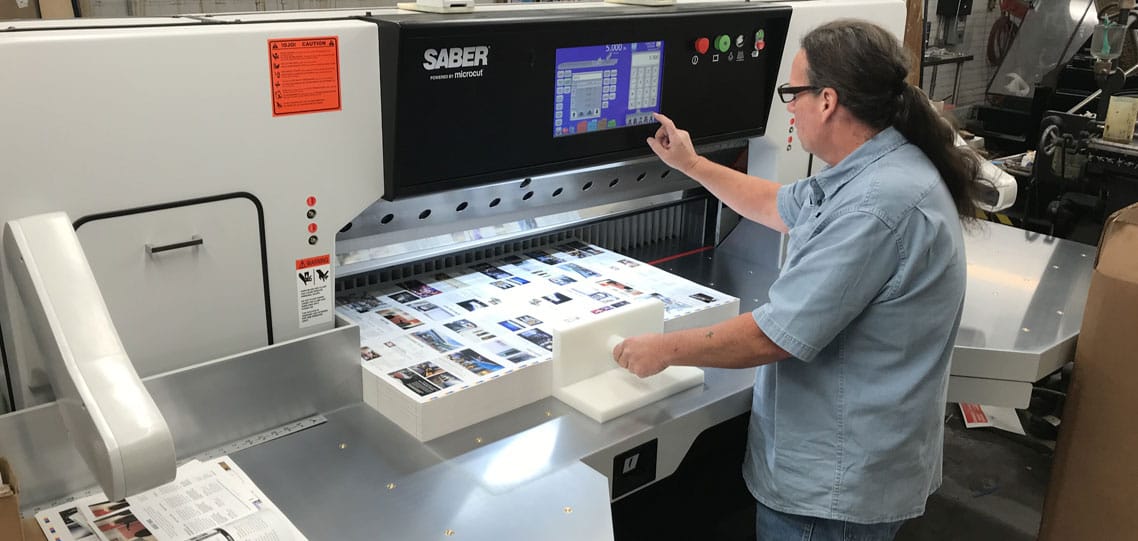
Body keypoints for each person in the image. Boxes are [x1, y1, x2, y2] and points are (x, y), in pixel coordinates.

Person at [613, 19, 986, 540]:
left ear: (828, 100)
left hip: (833, 492)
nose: (788, 107)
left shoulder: (876, 207)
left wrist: (664, 348)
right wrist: (692, 164)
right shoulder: (879, 167)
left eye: (792, 93)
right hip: (851, 466)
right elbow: (776, 205)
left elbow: (774, 334)